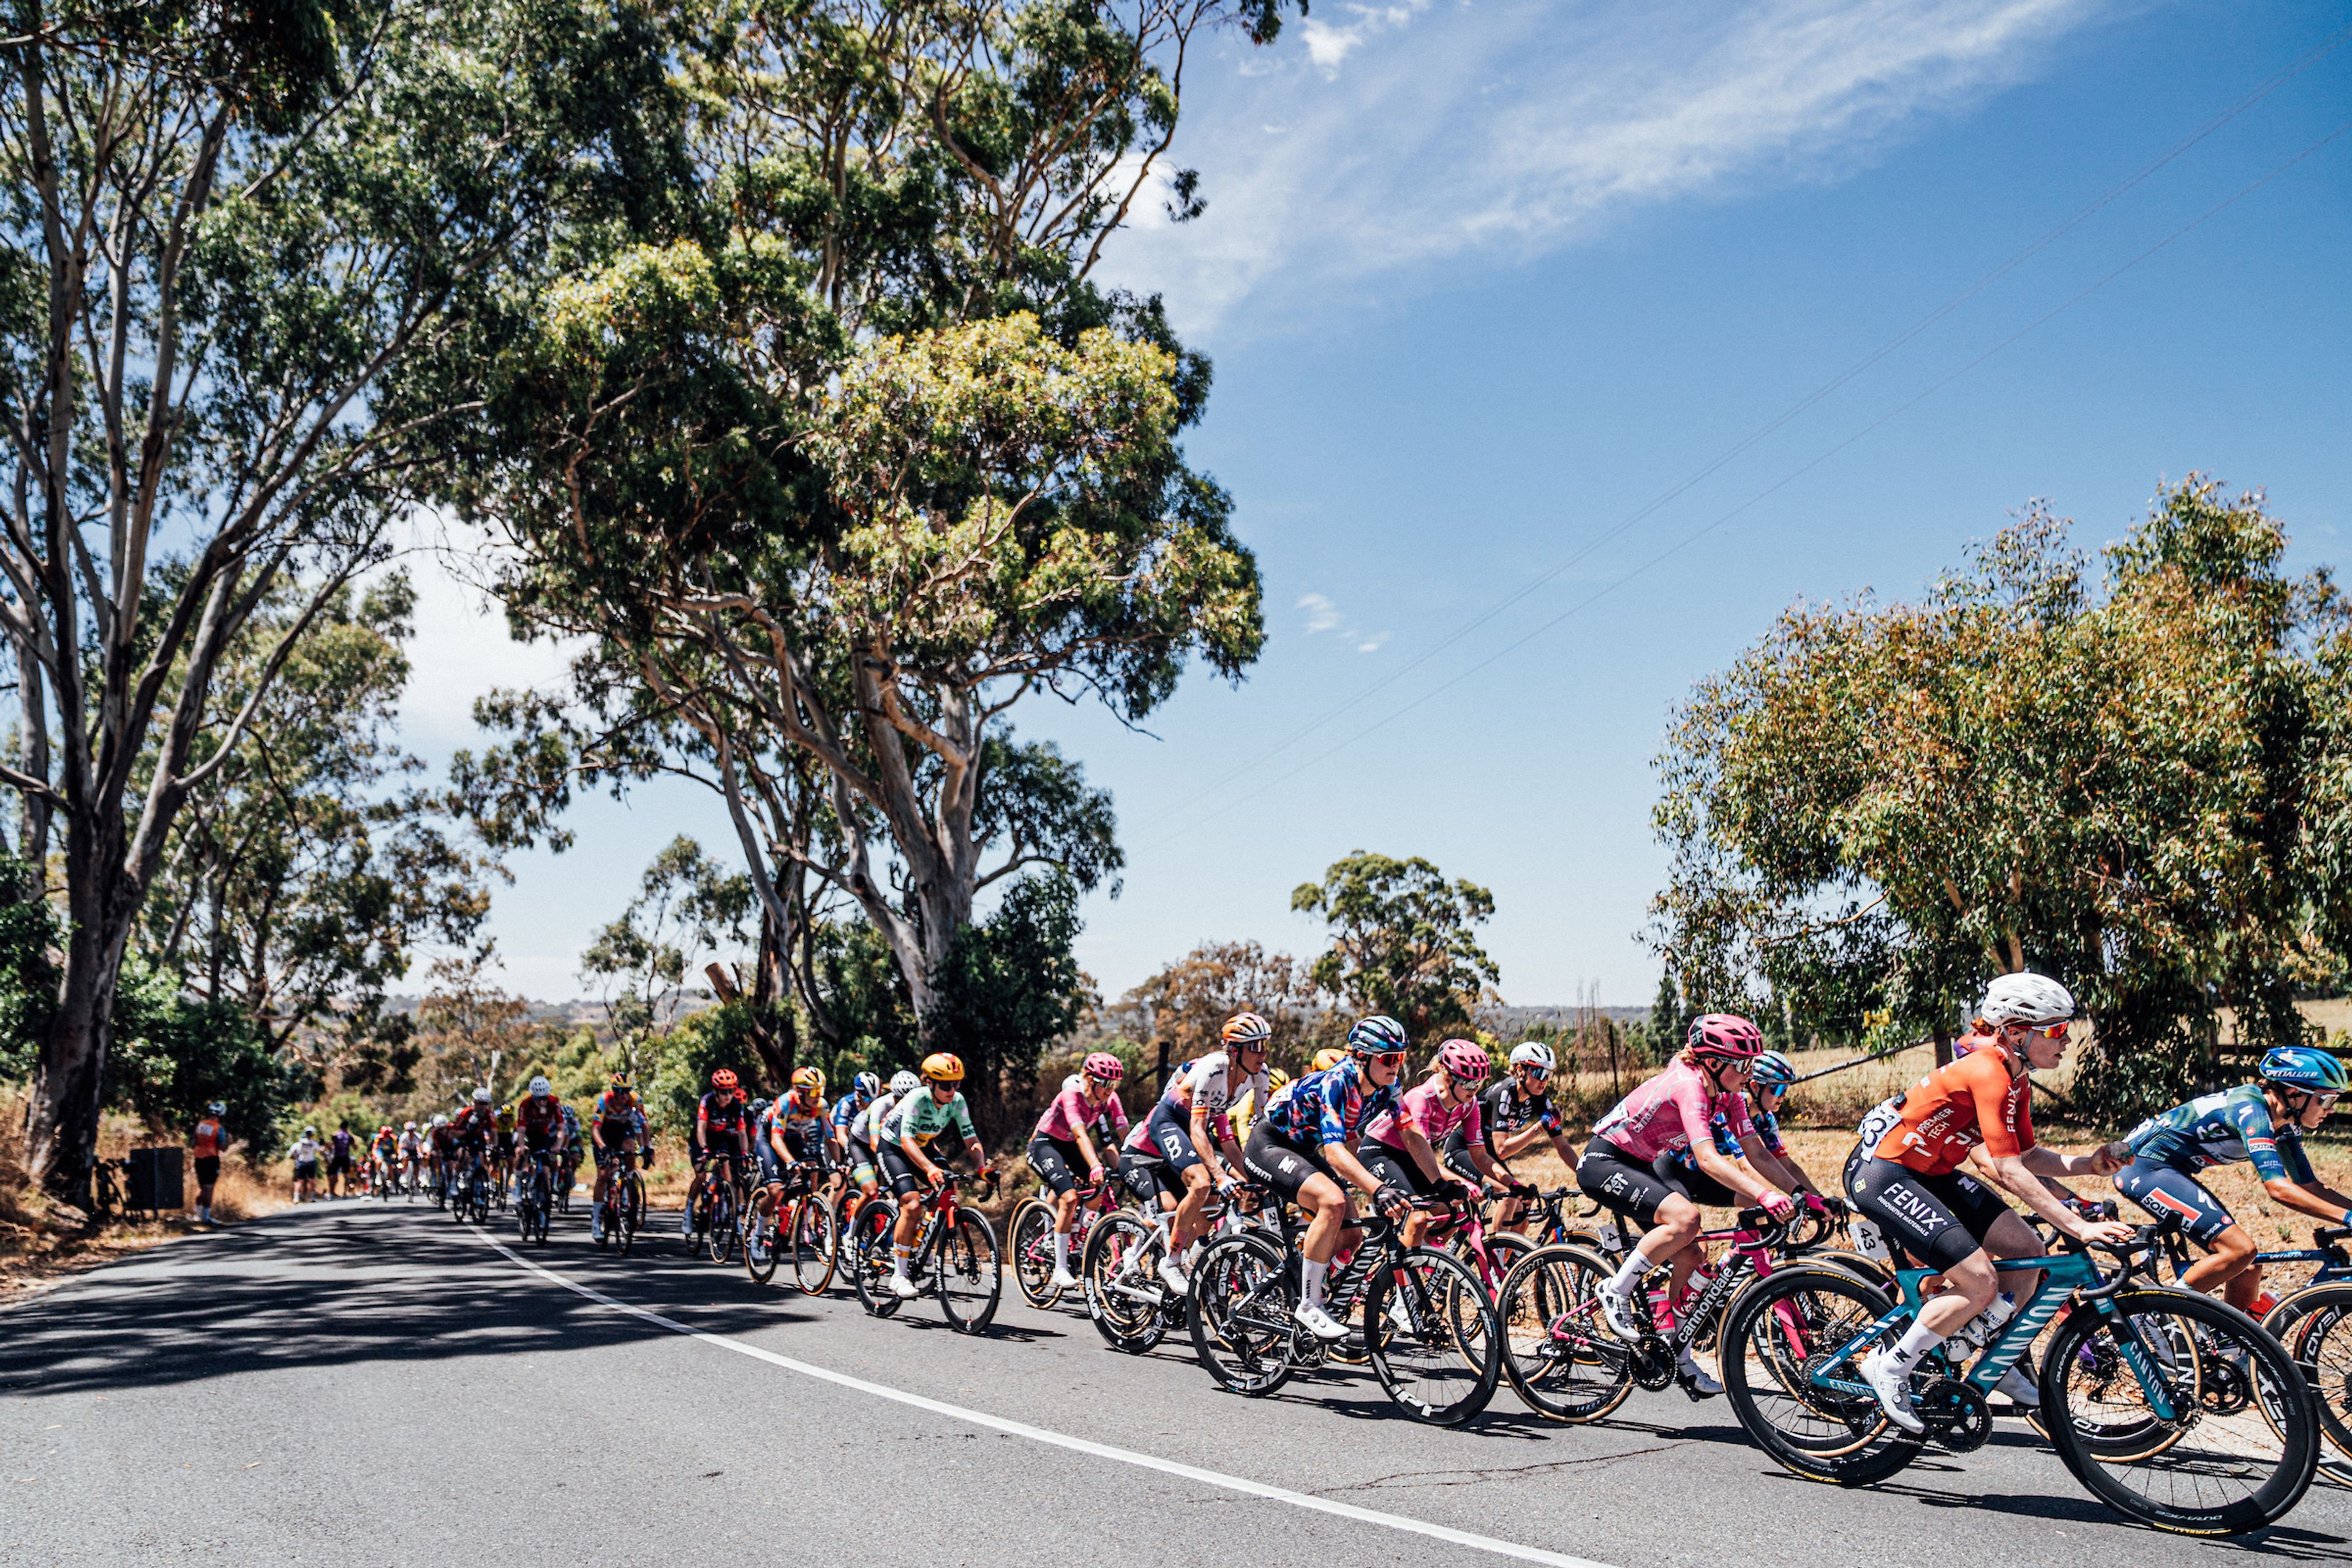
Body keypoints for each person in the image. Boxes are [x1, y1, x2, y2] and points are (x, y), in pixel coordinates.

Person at [1845, 973, 2135, 1433]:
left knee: (2028, 1252)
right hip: (1884, 1174)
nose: (2066, 1041)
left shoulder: (2018, 1080)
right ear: (2018, 1032)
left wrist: (2089, 1164)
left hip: (1931, 1174)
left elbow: (2027, 1156)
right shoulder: (1988, 1071)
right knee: (1980, 1280)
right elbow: (2008, 1171)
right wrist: (2079, 1227)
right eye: (2056, 1030)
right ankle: (1890, 1365)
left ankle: (1995, 1359)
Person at [1578, 1014, 1797, 1393]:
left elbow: (1757, 1154)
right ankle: (1616, 1289)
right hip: (1605, 1161)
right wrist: (1765, 1193)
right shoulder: (1689, 1085)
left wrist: (1798, 1194)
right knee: (1687, 1218)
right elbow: (1710, 1159)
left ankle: (1678, 1354)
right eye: (1743, 1065)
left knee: (1693, 1256)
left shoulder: (1727, 1094)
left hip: (1642, 1164)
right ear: (1714, 1063)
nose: (1750, 1073)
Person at [2113, 1045, 2352, 1313]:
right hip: (2142, 1168)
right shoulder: (2252, 1110)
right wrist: (2346, 1218)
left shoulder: (2284, 1121)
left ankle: (2233, 1347)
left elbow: (2310, 1186)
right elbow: (2278, 1188)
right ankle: (2160, 1316)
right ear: (2295, 1093)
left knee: (2246, 1268)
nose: (2330, 1110)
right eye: (2327, 1100)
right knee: (2239, 1251)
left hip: (2168, 1169)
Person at [1243, 1015, 1418, 1341]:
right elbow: (1336, 1152)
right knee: (1333, 1201)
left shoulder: (1388, 1087)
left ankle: (1316, 1280)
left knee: (1352, 1234)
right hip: (1269, 1145)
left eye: (1401, 1058)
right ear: (1363, 1058)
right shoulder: (1338, 1082)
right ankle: (1309, 1305)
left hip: (1303, 1149)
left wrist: (1434, 1183)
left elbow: (1411, 1134)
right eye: (1389, 1058)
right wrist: (1377, 1189)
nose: (1396, 1066)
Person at [1121, 1012, 1273, 1292]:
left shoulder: (1260, 1076)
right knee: (1203, 1182)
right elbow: (1197, 1128)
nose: (1262, 1054)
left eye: (1266, 1045)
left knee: (1228, 1190)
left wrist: (1263, 1174)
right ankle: (1172, 1260)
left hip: (1210, 1119)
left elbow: (1257, 1132)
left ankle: (1197, 1253)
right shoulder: (1214, 1068)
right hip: (1173, 1119)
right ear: (1235, 1050)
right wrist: (1220, 1175)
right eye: (1255, 1047)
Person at [1359, 1039, 1509, 1245]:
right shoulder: (1423, 1098)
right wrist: (1463, 1182)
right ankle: (1396, 1274)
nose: (1474, 1089)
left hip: (1411, 1157)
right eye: (1469, 1083)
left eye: (1479, 1083)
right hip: (1379, 1151)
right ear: (1448, 1078)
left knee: (1451, 1214)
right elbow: (1421, 1152)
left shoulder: (1469, 1104)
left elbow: (1481, 1156)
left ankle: (1425, 1265)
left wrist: (1512, 1184)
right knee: (1418, 1217)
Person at [877, 1053, 993, 1299]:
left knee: (949, 1185)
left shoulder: (957, 1102)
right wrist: (929, 1168)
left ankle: (922, 1235)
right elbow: (907, 1141)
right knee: (911, 1202)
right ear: (929, 1082)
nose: (952, 1090)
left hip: (924, 1145)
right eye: (946, 1085)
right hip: (894, 1147)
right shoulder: (917, 1098)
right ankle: (899, 1275)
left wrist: (982, 1167)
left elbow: (970, 1139)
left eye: (956, 1083)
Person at [1449, 1040, 1575, 1230]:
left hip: (1486, 1155)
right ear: (1519, 1070)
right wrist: (1539, 1128)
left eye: (1549, 1075)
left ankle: (1513, 1258)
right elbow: (1502, 1150)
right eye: (1539, 1072)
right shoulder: (1504, 1093)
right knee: (1508, 1197)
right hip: (1462, 1150)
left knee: (1523, 1206)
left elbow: (1563, 1146)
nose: (1544, 1080)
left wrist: (1584, 1175)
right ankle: (1496, 1255)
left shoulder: (1540, 1100)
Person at [1030, 1053, 1127, 1291]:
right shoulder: (1071, 1094)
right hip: (1046, 1144)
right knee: (1070, 1197)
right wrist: (1095, 1165)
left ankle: (1077, 1234)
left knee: (1098, 1191)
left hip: (1070, 1145)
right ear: (1089, 1080)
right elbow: (1082, 1134)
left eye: (1114, 1084)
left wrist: (1131, 1165)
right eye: (1106, 1084)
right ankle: (1060, 1269)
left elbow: (1124, 1133)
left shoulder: (1109, 1099)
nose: (1109, 1090)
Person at [748, 1068, 831, 1264]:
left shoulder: (821, 1106)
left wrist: (838, 1162)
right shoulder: (786, 1102)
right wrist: (790, 1162)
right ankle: (758, 1235)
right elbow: (776, 1140)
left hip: (793, 1138)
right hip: (769, 1139)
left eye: (820, 1091)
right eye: (813, 1092)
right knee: (776, 1191)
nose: (817, 1096)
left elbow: (830, 1135)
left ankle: (806, 1212)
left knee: (813, 1167)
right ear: (800, 1092)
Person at [682, 1069, 750, 1238]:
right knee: (700, 1175)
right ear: (716, 1091)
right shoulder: (708, 1101)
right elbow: (701, 1128)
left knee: (726, 1164)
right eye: (724, 1092)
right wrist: (704, 1149)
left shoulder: (735, 1104)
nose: (728, 1095)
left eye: (731, 1091)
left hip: (720, 1137)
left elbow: (742, 1132)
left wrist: (745, 1153)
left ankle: (730, 1208)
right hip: (702, 1139)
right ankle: (689, 1210)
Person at [589, 1072, 646, 1242]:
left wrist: (646, 1147)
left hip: (623, 1129)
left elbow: (644, 1125)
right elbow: (595, 1129)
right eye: (619, 1091)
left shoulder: (636, 1100)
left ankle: (627, 1185)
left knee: (630, 1150)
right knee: (604, 1175)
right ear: (613, 1091)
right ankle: (595, 1221)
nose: (623, 1095)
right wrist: (603, 1147)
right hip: (604, 1133)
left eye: (626, 1091)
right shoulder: (605, 1100)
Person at [847, 1071, 921, 1202]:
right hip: (861, 1144)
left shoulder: (916, 1108)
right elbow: (874, 1143)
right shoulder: (880, 1105)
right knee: (871, 1192)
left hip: (887, 1146)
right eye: (901, 1100)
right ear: (894, 1096)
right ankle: (855, 1223)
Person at [513, 1077, 567, 1206]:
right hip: (526, 1134)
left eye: (544, 1098)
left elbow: (561, 1128)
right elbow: (521, 1130)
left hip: (543, 1134)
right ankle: (519, 1183)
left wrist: (558, 1145)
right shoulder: (525, 1105)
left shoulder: (554, 1102)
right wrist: (521, 1146)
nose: (542, 1102)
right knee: (522, 1153)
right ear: (533, 1097)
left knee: (547, 1167)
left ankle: (545, 1195)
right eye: (538, 1099)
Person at [191, 1101, 228, 1223]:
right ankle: (206, 1217)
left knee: (201, 1187)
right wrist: (229, 1140)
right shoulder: (218, 1128)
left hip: (198, 1158)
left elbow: (193, 1142)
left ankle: (197, 1215)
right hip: (211, 1159)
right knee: (209, 1187)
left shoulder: (201, 1125)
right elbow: (223, 1147)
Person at [289, 1125, 322, 1204]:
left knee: (300, 1181)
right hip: (310, 1162)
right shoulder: (313, 1143)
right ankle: (311, 1197)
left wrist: (296, 1159)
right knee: (311, 1180)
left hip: (301, 1162)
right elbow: (321, 1151)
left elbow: (291, 1154)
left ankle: (296, 1198)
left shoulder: (299, 1143)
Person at [325, 1124, 355, 1197]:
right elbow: (355, 1147)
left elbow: (329, 1145)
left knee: (333, 1175)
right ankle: (345, 1192)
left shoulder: (336, 1135)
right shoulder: (349, 1136)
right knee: (346, 1174)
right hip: (345, 1157)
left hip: (337, 1157)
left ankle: (332, 1192)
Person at [397, 1120, 424, 1193]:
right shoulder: (403, 1137)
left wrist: (420, 1154)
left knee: (417, 1164)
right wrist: (400, 1155)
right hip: (406, 1150)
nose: (410, 1133)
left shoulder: (418, 1137)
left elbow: (419, 1147)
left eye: (412, 1131)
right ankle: (404, 1174)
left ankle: (417, 1179)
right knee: (406, 1156)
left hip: (415, 1150)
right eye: (409, 1131)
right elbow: (400, 1147)